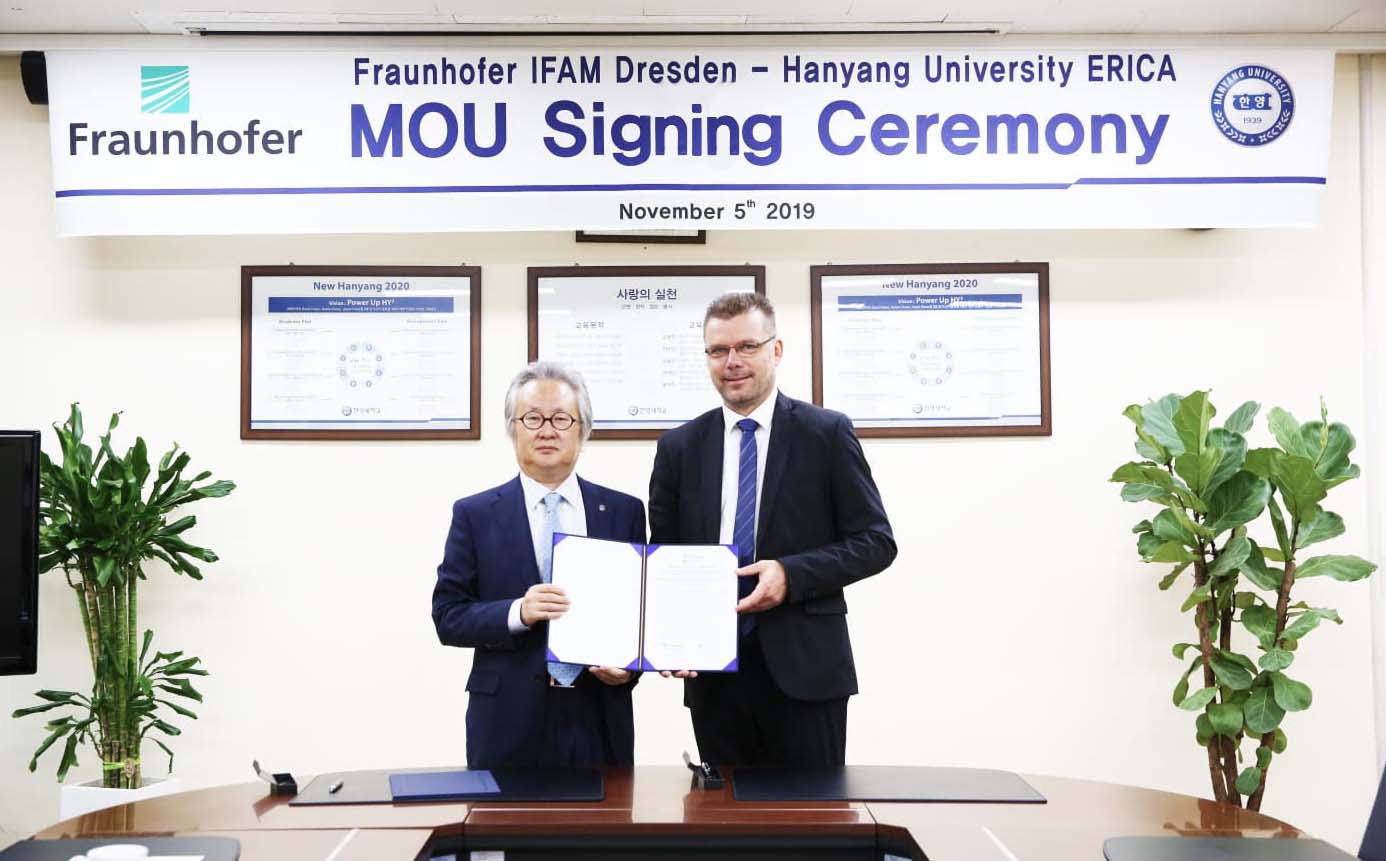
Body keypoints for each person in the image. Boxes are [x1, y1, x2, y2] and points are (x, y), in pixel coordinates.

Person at [649, 292, 896, 767]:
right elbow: (665, 560)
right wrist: (667, 639)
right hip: (714, 672)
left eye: (747, 346)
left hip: (807, 672)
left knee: (813, 825)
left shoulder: (825, 433)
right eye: (718, 351)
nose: (733, 361)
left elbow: (876, 542)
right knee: (724, 823)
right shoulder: (679, 447)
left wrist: (791, 573)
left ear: (776, 350)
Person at [433, 361, 646, 768]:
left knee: (609, 829)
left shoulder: (623, 512)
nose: (546, 430)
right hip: (506, 718)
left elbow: (639, 612)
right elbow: (448, 616)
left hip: (599, 711)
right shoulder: (475, 514)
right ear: (513, 428)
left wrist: (630, 670)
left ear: (583, 430)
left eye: (561, 418)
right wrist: (518, 612)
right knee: (503, 830)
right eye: (532, 418)